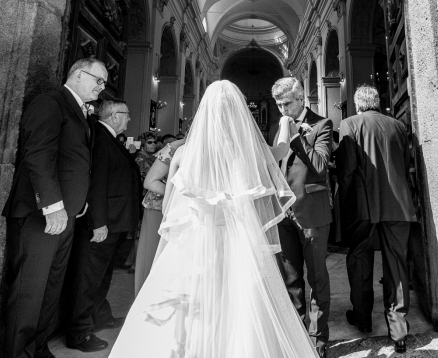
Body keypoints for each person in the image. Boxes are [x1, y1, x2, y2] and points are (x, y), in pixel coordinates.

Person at [110, 80, 318, 358]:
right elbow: (280, 152)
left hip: (193, 244)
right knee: (240, 310)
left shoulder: (183, 153)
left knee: (188, 309)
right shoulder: (249, 152)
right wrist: (283, 125)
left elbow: (170, 202)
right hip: (237, 243)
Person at [2, 58, 107, 358]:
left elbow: (74, 163)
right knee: (29, 293)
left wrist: (80, 200)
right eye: (97, 80)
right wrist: (52, 205)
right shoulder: (50, 102)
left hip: (68, 214)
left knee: (51, 289)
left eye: (103, 83)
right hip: (41, 215)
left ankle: (38, 348)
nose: (101, 87)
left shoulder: (82, 113)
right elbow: (38, 154)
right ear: (76, 75)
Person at [336, 85, 417, 354]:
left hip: (363, 205)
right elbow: (405, 164)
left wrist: (344, 203)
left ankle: (362, 318)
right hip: (398, 205)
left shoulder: (349, 124)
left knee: (360, 260)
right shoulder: (398, 125)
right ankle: (399, 332)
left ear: (358, 105)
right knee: (397, 266)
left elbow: (346, 171)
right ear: (377, 102)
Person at [65, 100, 142, 352]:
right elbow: (96, 182)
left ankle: (100, 315)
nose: (129, 120)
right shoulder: (99, 137)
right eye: (127, 115)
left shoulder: (110, 138)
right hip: (103, 221)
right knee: (88, 277)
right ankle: (79, 332)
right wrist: (98, 222)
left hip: (116, 220)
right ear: (114, 115)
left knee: (103, 273)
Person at [271, 77, 333, 358]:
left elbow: (320, 164)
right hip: (284, 213)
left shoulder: (322, 125)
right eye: (278, 104)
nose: (282, 109)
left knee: (317, 277)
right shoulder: (279, 127)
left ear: (300, 99)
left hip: (312, 212)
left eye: (286, 103)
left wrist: (296, 136)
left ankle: (318, 340)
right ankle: (297, 334)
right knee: (291, 279)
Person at [133, 136, 185, 295]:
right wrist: (179, 195)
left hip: (182, 210)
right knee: (153, 257)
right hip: (157, 208)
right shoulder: (173, 148)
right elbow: (150, 182)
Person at [123, 131, 159, 272]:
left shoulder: (149, 158)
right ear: (143, 144)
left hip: (145, 198)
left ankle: (131, 260)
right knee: (140, 232)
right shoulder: (141, 159)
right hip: (143, 199)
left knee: (139, 232)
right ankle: (135, 264)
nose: (153, 145)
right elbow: (145, 180)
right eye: (150, 142)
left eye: (155, 142)